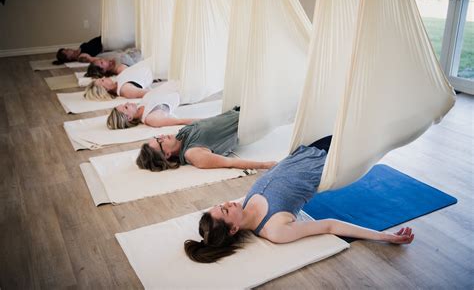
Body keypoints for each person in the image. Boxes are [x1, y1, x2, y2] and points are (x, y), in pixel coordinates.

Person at [184, 136, 415, 263]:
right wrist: (385, 236)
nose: (226, 204)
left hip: (311, 147)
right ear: (233, 228)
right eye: (224, 211)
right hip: (332, 159)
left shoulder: (244, 204)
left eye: (220, 205)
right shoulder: (274, 230)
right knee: (387, 131)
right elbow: (330, 225)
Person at [136, 108, 277, 172]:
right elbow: (230, 162)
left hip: (243, 109)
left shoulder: (181, 135)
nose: (161, 136)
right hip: (253, 120)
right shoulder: (192, 153)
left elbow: (204, 122)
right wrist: (265, 165)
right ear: (166, 154)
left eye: (157, 137)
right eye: (160, 141)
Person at [107, 83, 196, 129]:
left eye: (124, 104)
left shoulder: (142, 104)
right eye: (126, 107)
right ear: (129, 118)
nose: (127, 103)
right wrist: (206, 121)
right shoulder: (151, 119)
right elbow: (180, 121)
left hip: (178, 81)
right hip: (188, 89)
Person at [84, 60, 153, 100]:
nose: (104, 77)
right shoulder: (125, 90)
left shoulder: (118, 80)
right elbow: (149, 93)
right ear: (106, 89)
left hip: (151, 61)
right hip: (156, 66)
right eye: (102, 80)